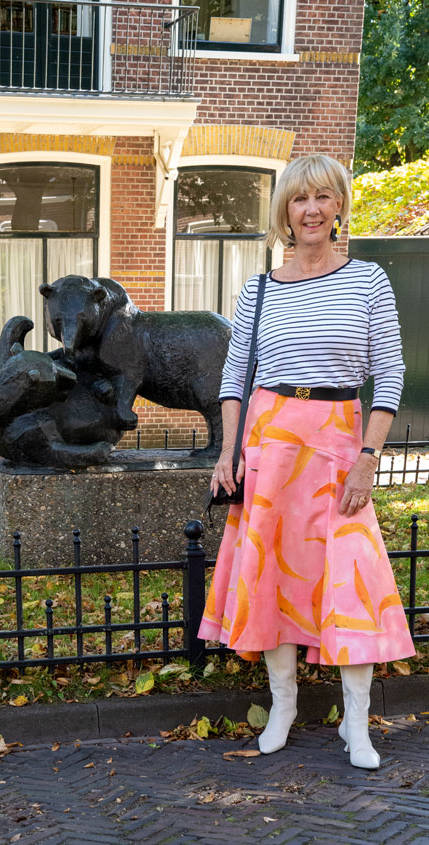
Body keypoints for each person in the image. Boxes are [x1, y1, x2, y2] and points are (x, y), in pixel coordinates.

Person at [197, 154, 415, 770]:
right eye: (299, 199)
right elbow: (235, 373)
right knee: (271, 576)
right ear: (284, 212)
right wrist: (228, 453)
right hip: (271, 446)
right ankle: (284, 706)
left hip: (339, 446)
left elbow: (390, 372)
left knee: (352, 579)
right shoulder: (259, 288)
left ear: (340, 206)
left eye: (323, 196)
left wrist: (368, 456)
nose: (312, 209)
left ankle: (357, 722)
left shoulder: (368, 280)